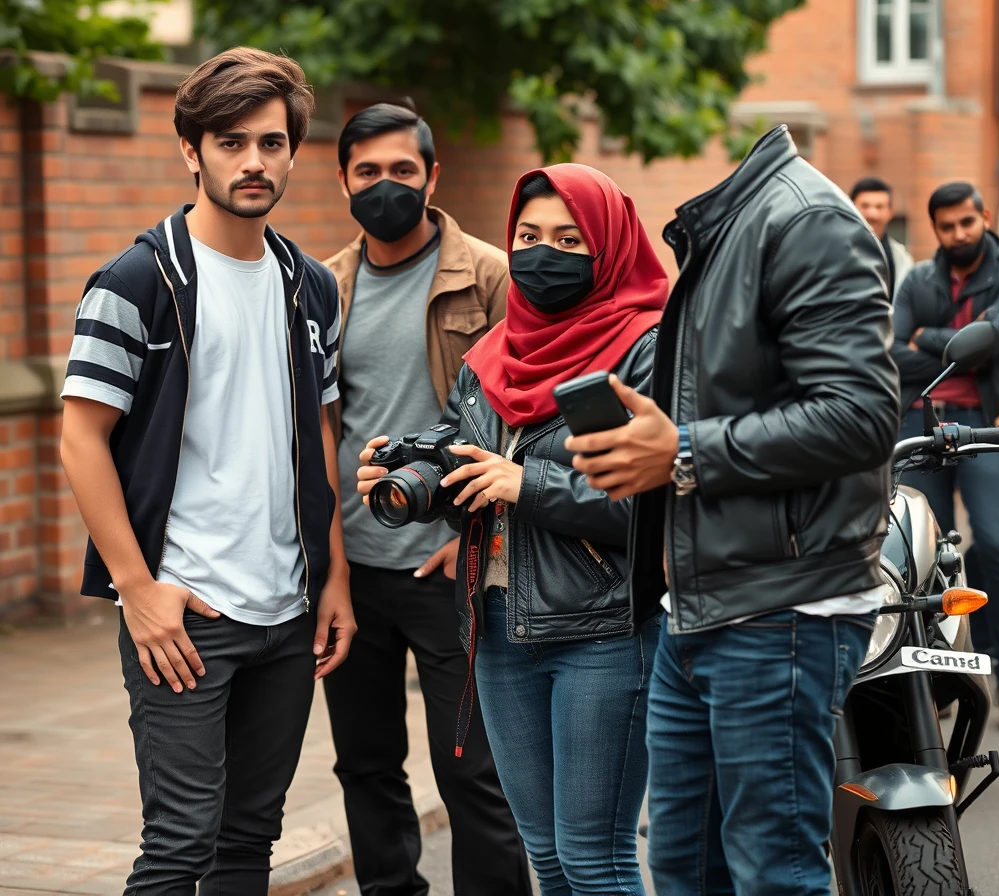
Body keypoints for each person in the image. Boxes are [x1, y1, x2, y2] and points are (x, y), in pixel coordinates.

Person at [567, 125, 901, 896]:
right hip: (699, 610)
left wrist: (681, 452)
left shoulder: (804, 221)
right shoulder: (728, 228)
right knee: (684, 869)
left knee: (772, 875)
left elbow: (860, 415)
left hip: (781, 611)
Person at [59, 47, 355, 895]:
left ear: (295, 151)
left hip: (288, 611)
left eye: (270, 143)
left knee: (249, 844)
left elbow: (319, 439)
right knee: (181, 844)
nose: (252, 161)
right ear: (191, 150)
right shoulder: (138, 281)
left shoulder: (309, 286)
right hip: (187, 610)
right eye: (230, 142)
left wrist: (332, 579)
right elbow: (81, 440)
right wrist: (137, 589)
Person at [358, 164, 669, 895]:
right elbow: (471, 458)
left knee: (595, 859)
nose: (541, 254)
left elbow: (654, 504)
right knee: (548, 856)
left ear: (608, 248)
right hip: (497, 629)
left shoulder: (645, 348)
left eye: (568, 239)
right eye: (528, 235)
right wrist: (417, 480)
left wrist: (529, 485)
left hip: (602, 633)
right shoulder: (494, 353)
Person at [322, 102, 531, 896]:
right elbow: (324, 435)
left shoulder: (488, 275)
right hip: (358, 573)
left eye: (402, 171)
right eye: (367, 172)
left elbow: (529, 419)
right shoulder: (324, 287)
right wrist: (331, 570)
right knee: (366, 767)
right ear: (343, 178)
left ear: (432, 176)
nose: (385, 186)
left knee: (475, 774)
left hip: (459, 567)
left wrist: (482, 534)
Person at [892, 180, 999, 730]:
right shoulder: (920, 278)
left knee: (993, 542)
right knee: (926, 556)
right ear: (936, 228)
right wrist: (957, 349)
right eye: (946, 226)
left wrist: (931, 337)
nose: (958, 234)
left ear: (984, 216)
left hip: (982, 425)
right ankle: (940, 678)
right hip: (923, 420)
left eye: (966, 223)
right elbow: (894, 352)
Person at [851, 176, 913, 298]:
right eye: (865, 206)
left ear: (890, 212)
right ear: (850, 207)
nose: (872, 214)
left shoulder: (901, 258)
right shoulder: (835, 250)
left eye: (879, 207)